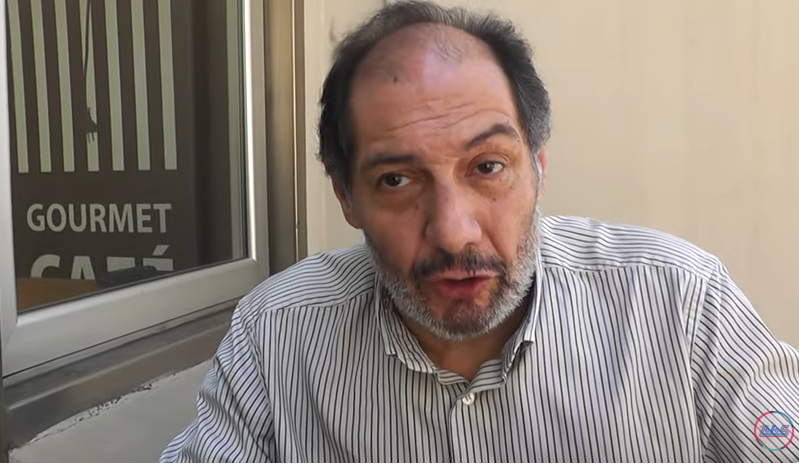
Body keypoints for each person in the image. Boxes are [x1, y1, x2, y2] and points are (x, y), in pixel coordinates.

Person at [161, 1, 799, 462]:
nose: (453, 231)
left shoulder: (681, 304)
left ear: (537, 169)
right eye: (396, 180)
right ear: (345, 197)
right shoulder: (277, 336)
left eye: (488, 167)